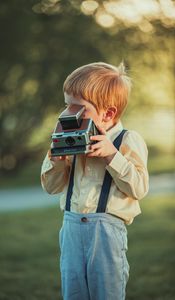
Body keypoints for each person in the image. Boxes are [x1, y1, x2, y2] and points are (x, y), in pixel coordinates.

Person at [41, 62, 149, 300]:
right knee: (74, 291)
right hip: (71, 227)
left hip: (106, 231)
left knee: (106, 292)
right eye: (66, 105)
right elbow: (51, 187)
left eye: (78, 108)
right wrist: (58, 158)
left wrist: (113, 156)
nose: (69, 113)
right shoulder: (68, 137)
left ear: (107, 113)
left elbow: (140, 188)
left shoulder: (127, 140)